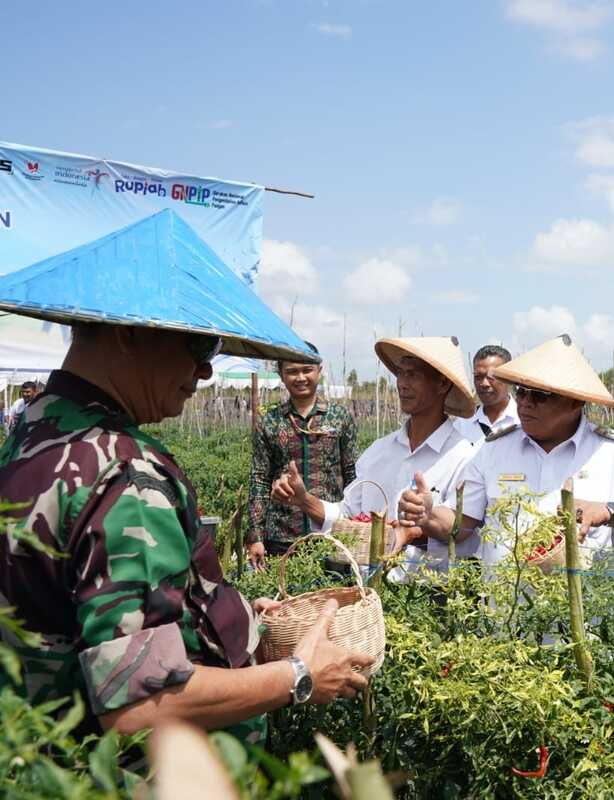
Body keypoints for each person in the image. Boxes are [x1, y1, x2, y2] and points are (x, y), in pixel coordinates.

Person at [0, 214, 369, 741]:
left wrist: (228, 616)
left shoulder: (32, 432)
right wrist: (299, 676)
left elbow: (83, 608)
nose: (205, 372)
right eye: (198, 348)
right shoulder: (124, 472)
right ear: (130, 332)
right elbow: (139, 704)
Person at [401, 334, 614, 588]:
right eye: (521, 392)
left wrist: (611, 512)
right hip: (506, 623)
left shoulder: (612, 454)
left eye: (541, 395)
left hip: (587, 627)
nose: (526, 403)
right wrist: (428, 515)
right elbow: (462, 524)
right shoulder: (493, 450)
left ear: (575, 402)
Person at [273, 336, 478, 571]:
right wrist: (304, 500)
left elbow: (463, 530)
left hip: (426, 595)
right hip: (370, 591)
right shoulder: (379, 451)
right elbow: (347, 514)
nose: (402, 383)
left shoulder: (463, 457)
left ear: (442, 384)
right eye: (400, 373)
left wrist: (426, 518)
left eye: (413, 375)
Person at [246, 345, 357, 567]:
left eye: (307, 370)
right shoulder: (269, 422)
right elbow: (259, 479)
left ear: (319, 370)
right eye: (292, 371)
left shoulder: (340, 417)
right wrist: (256, 536)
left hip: (331, 532)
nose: (301, 377)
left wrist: (356, 526)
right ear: (281, 374)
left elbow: (352, 474)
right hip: (282, 535)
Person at [453, 345, 519, 444]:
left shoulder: (524, 421)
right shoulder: (462, 424)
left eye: (491, 376)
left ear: (508, 377)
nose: (484, 384)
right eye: (478, 376)